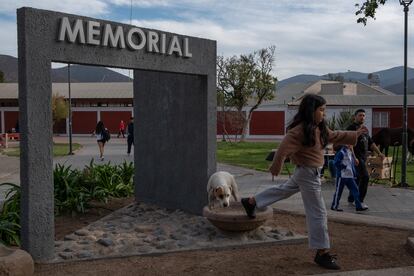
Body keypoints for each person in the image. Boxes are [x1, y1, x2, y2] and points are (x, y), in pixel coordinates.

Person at [240, 94, 368, 270]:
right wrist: (276, 166)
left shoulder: (319, 127)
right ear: (311, 110)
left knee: (284, 190)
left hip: (306, 173)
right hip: (307, 174)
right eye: (321, 110)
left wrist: (355, 134)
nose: (324, 113)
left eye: (325, 110)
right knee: (318, 213)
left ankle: (251, 202)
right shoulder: (299, 130)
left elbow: (334, 135)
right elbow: (283, 148)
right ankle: (322, 252)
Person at [346, 109, 384, 208]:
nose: (362, 117)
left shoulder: (365, 129)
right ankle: (359, 201)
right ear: (355, 117)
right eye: (360, 115)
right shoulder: (351, 128)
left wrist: (379, 153)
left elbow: (371, 143)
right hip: (355, 157)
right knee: (365, 177)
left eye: (363, 115)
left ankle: (351, 198)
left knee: (358, 178)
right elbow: (349, 144)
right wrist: (354, 158)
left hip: (363, 157)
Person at [331, 144, 368, 212]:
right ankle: (334, 206)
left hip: (349, 175)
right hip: (342, 176)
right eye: (350, 144)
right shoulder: (341, 152)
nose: (352, 145)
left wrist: (354, 171)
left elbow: (350, 163)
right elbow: (336, 163)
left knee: (355, 190)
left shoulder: (349, 152)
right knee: (339, 191)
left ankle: (358, 206)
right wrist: (344, 167)